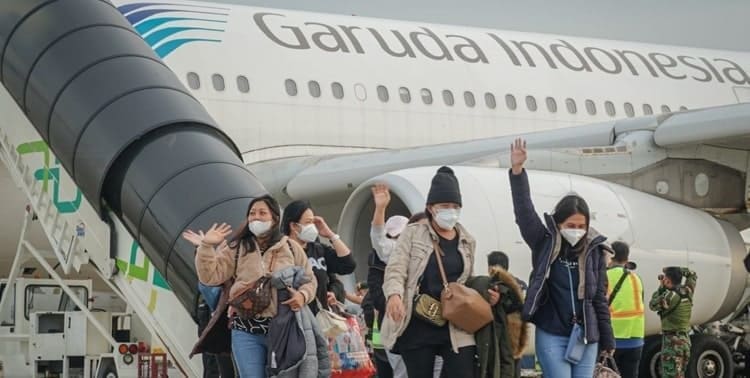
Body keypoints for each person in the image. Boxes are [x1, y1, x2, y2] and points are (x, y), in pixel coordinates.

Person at [508, 138, 614, 378]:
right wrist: (517, 172)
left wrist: (608, 338)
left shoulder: (595, 251)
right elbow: (524, 213)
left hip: (586, 335)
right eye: (570, 225)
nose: (576, 230)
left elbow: (599, 299)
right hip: (553, 332)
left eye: (581, 226)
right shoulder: (544, 242)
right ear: (558, 223)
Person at [191, 195, 317, 378]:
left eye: (262, 213)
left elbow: (309, 279)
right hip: (244, 329)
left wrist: (303, 296)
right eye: (252, 213)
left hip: (282, 329)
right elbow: (210, 276)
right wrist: (206, 247)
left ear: (274, 218)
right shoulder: (237, 247)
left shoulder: (290, 247)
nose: (256, 217)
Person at [381, 166, 479, 378]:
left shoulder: (467, 240)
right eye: (445, 206)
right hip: (418, 320)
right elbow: (396, 268)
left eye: (455, 206)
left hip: (455, 322)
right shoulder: (413, 233)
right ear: (431, 207)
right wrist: (394, 295)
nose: (450, 211)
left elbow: (468, 280)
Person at [281, 200, 356, 314]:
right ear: (294, 226)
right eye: (308, 222)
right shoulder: (282, 250)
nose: (312, 226)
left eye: (313, 222)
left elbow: (348, 265)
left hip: (321, 318)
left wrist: (330, 234)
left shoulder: (318, 249)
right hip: (294, 316)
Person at [485, 251, 529, 378]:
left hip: (501, 333)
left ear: (490, 267)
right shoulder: (520, 284)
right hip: (518, 333)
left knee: (500, 368)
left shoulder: (493, 285)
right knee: (514, 367)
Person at [649, 266, 697, 378]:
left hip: (673, 344)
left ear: (668, 280)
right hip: (685, 340)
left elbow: (653, 304)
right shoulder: (688, 291)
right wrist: (677, 270)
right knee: (679, 375)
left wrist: (661, 288)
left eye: (665, 278)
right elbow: (692, 274)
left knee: (670, 375)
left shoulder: (669, 297)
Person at [606, 241, 645, 378]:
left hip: (612, 340)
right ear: (627, 259)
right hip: (636, 339)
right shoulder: (636, 278)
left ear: (610, 257)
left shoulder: (604, 277)